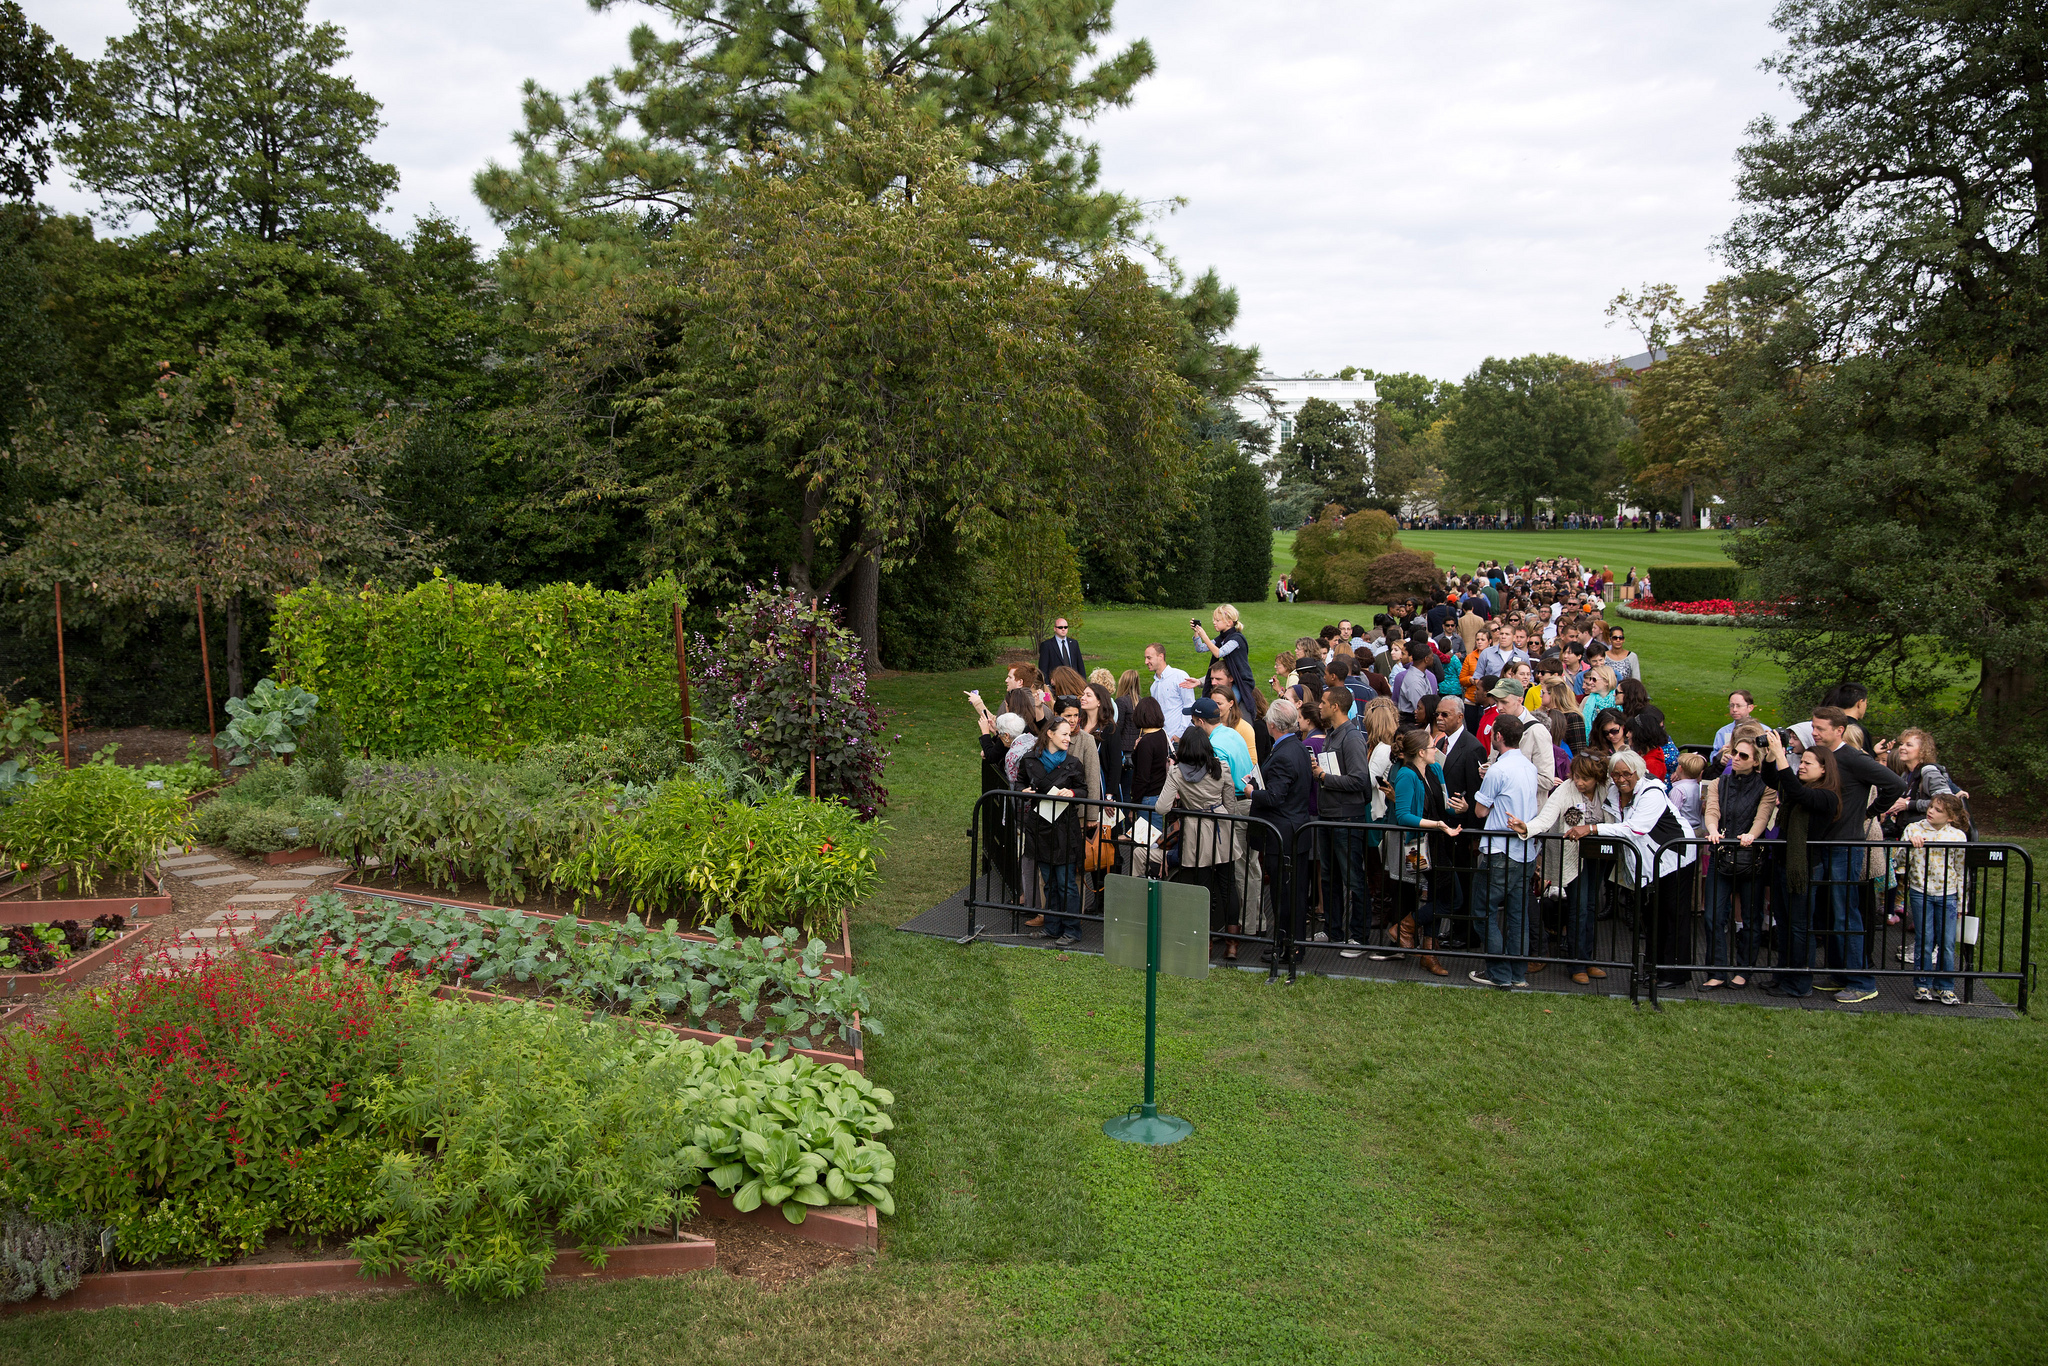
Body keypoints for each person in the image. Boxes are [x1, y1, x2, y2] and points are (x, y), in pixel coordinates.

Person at [1578, 747, 1696, 991]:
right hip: (1648, 865)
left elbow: (1636, 829)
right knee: (1652, 918)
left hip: (1675, 860)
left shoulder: (1652, 792)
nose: (1621, 779)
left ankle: (1675, 974)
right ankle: (1653, 969)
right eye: (1616, 774)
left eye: (1627, 774)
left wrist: (1592, 829)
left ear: (1638, 773)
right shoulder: (1614, 791)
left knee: (1673, 916)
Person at [1811, 704, 1907, 1003]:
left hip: (1846, 846)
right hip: (1825, 844)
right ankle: (1841, 974)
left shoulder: (1853, 758)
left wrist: (1870, 812)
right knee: (1832, 913)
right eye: (1813, 728)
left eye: (1820, 729)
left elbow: (1896, 784)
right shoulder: (1827, 757)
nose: (1814, 733)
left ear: (1839, 730)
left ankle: (1862, 981)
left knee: (1845, 913)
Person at [1514, 752, 1616, 984]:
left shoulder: (1607, 788)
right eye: (1576, 776)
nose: (1579, 782)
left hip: (1598, 854)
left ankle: (1588, 959)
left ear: (1597, 778)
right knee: (1579, 907)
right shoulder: (1565, 790)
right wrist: (1526, 827)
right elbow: (1546, 818)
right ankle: (1576, 964)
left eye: (1585, 778)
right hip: (1572, 856)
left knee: (1591, 905)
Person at [1759, 726, 1841, 999]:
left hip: (1803, 868)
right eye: (1801, 761)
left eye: (1807, 763)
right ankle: (1782, 977)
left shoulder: (1825, 797)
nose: (1801, 766)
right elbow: (1773, 778)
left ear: (1824, 769)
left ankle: (1799, 984)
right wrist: (1772, 754)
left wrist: (1781, 754)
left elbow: (1794, 790)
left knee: (1798, 926)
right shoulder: (1800, 787)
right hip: (1785, 865)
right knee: (1783, 923)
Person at [1153, 727, 1244, 959]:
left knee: (1201, 889)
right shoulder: (1220, 767)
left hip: (1195, 830)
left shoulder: (1176, 773)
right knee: (1227, 886)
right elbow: (1231, 802)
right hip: (1221, 826)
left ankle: (1206, 943)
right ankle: (1232, 944)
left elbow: (1161, 807)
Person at [1468, 714, 1543, 989]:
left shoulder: (1498, 770)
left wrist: (1485, 786)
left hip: (1500, 851)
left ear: (1497, 736)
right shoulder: (1529, 767)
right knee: (1517, 915)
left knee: (1482, 911)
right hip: (1524, 852)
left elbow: (1480, 810)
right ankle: (1517, 974)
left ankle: (1499, 973)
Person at [1700, 738, 1776, 989]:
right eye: (1735, 753)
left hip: (1751, 858)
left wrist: (1752, 835)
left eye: (1744, 756)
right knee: (1713, 915)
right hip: (1722, 855)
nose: (1736, 758)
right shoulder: (1719, 782)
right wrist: (1712, 830)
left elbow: (1763, 815)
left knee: (1751, 918)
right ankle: (1717, 970)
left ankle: (1744, 970)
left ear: (1756, 761)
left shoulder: (1766, 786)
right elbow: (1712, 810)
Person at [1385, 726, 1458, 975]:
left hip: (1439, 844)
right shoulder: (1406, 775)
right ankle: (1406, 926)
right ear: (1419, 752)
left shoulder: (1435, 769)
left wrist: (1459, 808)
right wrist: (1437, 824)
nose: (1435, 750)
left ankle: (1427, 953)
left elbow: (1445, 804)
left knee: (1441, 898)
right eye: (1431, 747)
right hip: (1418, 847)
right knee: (1451, 899)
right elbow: (1404, 815)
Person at [1249, 697, 1316, 957]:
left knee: (1285, 895)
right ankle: (1291, 945)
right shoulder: (1297, 747)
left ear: (1274, 725)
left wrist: (1252, 791)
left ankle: (1288, 947)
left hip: (1284, 835)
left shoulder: (1285, 754)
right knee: (1293, 894)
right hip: (1295, 831)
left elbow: (1275, 796)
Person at [1311, 685, 1375, 956]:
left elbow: (1360, 780)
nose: (1320, 706)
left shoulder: (1350, 738)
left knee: (1353, 878)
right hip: (1329, 815)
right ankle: (1334, 930)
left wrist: (1325, 777)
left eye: (1324, 702)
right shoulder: (1332, 734)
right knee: (1330, 876)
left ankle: (1359, 936)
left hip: (1347, 817)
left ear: (1335, 706)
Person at [1895, 792, 1970, 1006]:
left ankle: (1945, 986)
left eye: (1938, 810)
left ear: (1950, 818)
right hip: (1920, 892)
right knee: (1925, 940)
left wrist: (1962, 902)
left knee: (1946, 942)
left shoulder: (1957, 836)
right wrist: (1910, 845)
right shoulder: (1913, 829)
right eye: (1931, 807)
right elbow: (1898, 861)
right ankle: (1922, 984)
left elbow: (1961, 869)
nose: (1930, 811)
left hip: (1948, 894)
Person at [1021, 716, 1089, 947]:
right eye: (1064, 734)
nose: (1068, 738)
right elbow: (1019, 783)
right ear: (1050, 734)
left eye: (1069, 735)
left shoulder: (1074, 763)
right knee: (1049, 882)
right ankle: (1051, 927)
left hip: (1064, 830)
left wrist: (1072, 793)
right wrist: (1024, 791)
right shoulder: (1030, 760)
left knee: (1066, 882)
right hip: (1040, 828)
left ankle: (1072, 930)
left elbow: (1083, 789)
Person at [1193, 605, 1258, 722]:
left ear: (1229, 622)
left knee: (1230, 707)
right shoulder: (1221, 638)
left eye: (1217, 620)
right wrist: (1197, 633)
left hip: (1242, 682)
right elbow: (1200, 648)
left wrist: (1205, 636)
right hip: (1231, 678)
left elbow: (1219, 653)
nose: (1214, 622)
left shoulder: (1236, 639)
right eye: (1214, 620)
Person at [1190, 697, 1254, 794]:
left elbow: (1220, 784)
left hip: (1235, 801)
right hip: (1248, 794)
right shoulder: (1233, 733)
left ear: (1201, 721)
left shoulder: (1214, 746)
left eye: (1193, 722)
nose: (1194, 726)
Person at [1127, 696, 1173, 811]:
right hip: (1159, 793)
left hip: (1148, 797)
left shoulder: (1146, 742)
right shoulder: (1161, 733)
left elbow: (1143, 777)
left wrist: (1134, 804)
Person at [1144, 642, 1196, 741]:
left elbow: (1189, 706)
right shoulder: (1154, 686)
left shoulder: (1179, 676)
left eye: (1149, 658)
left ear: (1161, 656)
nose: (1146, 662)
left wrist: (1179, 734)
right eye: (1145, 658)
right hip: (1163, 739)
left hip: (1179, 739)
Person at [1712, 690, 1758, 764]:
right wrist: (1719, 756)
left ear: (1750, 708)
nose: (1734, 710)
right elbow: (1712, 759)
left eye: (1738, 706)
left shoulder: (1763, 730)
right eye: (1731, 705)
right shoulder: (1723, 732)